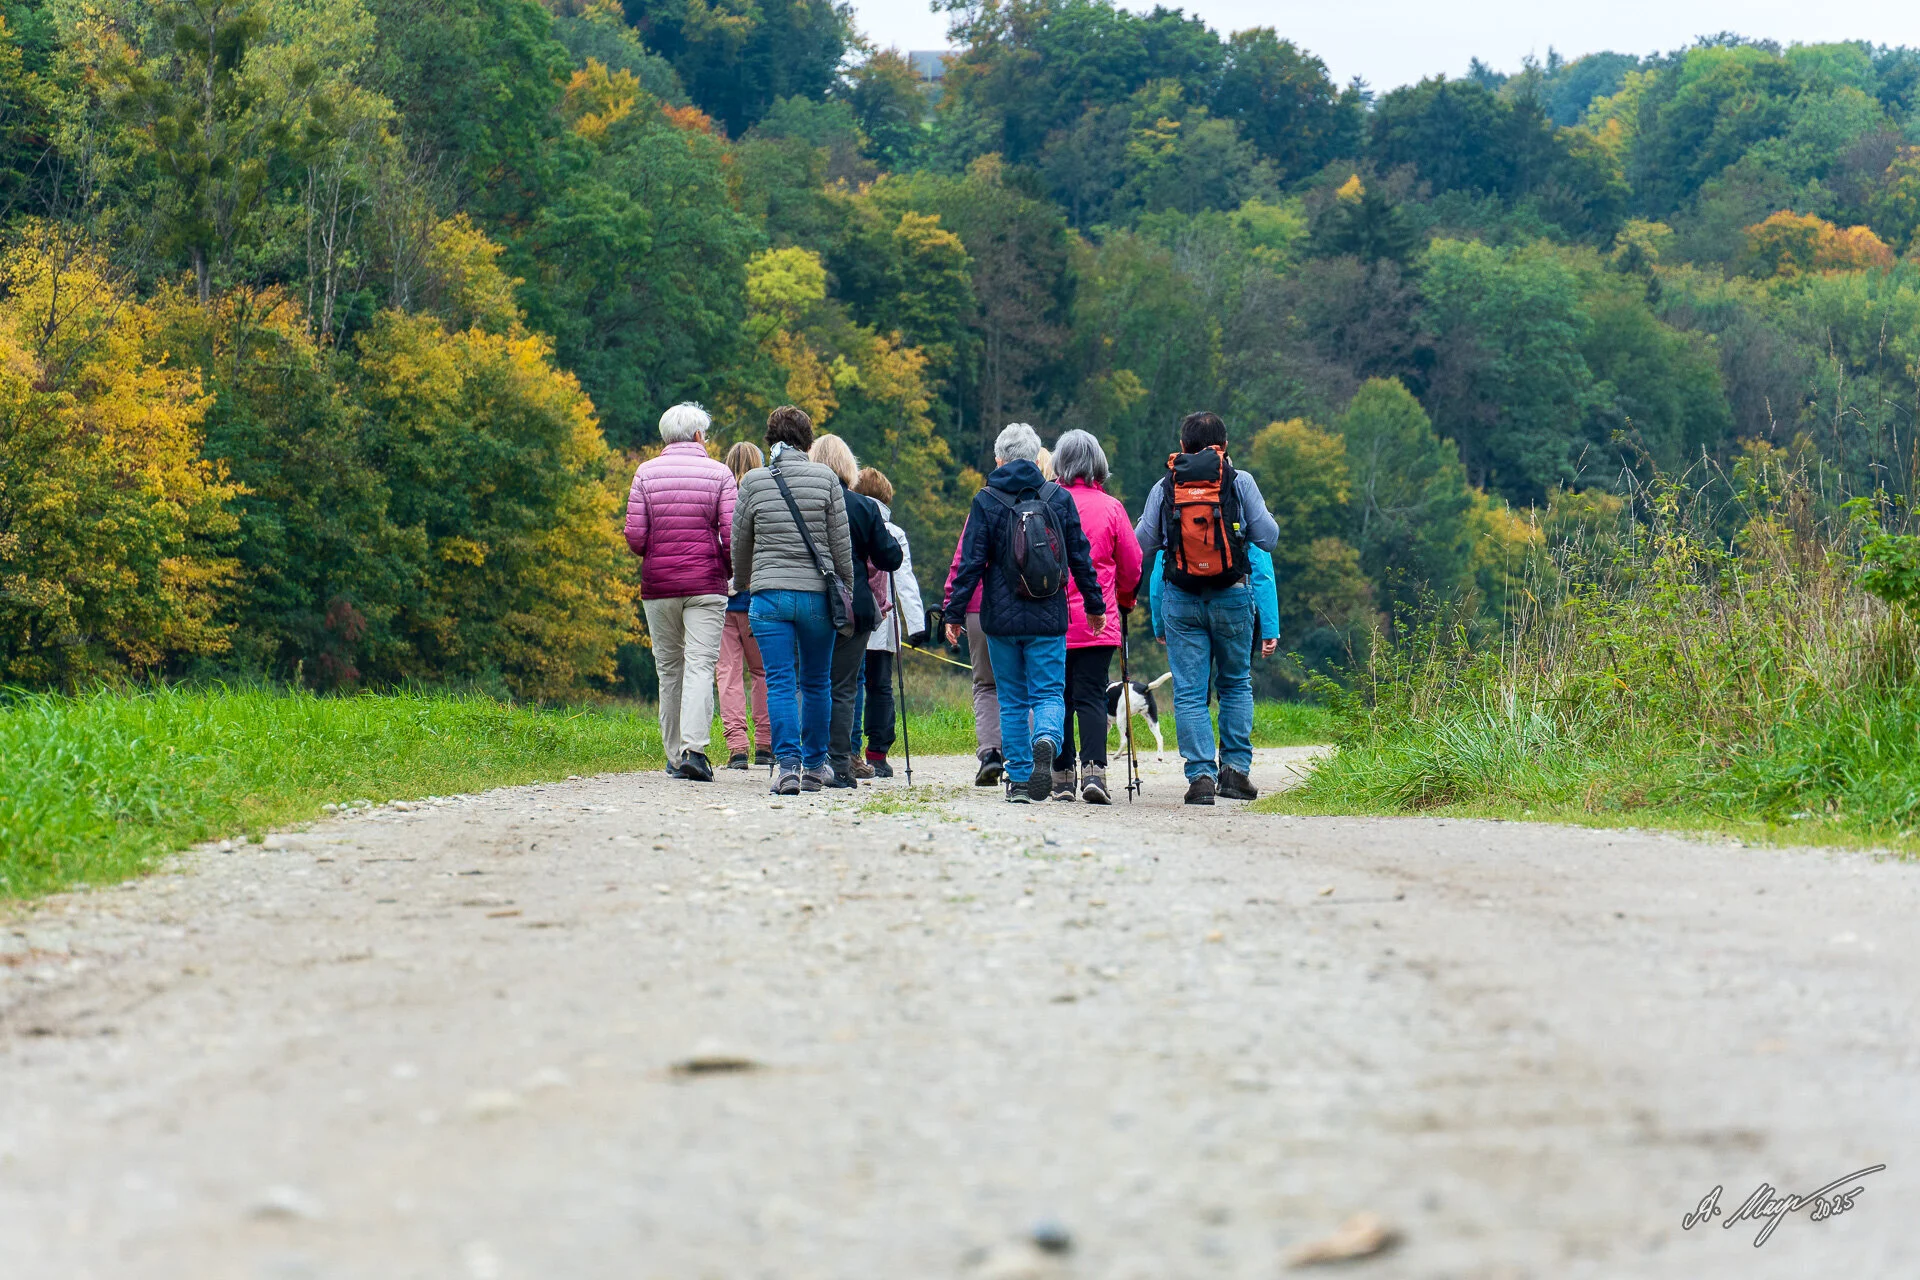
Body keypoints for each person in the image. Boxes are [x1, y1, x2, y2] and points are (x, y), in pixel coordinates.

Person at [944, 423, 1104, 804]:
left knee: (1012, 699)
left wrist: (953, 612)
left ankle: (1017, 780)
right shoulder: (1058, 498)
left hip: (1000, 621)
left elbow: (970, 563)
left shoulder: (986, 501)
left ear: (999, 459)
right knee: (1048, 692)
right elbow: (1080, 557)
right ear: (1036, 458)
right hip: (1048, 617)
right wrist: (1095, 605)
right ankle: (1045, 738)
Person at [1135, 411, 1280, 805]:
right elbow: (1268, 539)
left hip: (1181, 600)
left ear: (1182, 447)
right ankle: (1234, 772)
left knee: (1189, 691)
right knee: (1234, 683)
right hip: (1232, 595)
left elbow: (1143, 543)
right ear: (1224, 446)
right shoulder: (1240, 481)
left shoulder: (1164, 486)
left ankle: (1200, 777)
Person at [731, 406, 856, 795]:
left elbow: (740, 543)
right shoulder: (827, 479)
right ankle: (816, 767)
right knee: (817, 681)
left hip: (769, 597)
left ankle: (787, 767)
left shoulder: (754, 482)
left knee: (780, 682)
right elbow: (841, 546)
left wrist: (744, 582)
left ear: (771, 439)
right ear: (808, 440)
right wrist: (846, 592)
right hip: (818, 597)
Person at [624, 402, 736, 782]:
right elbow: (731, 535)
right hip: (706, 584)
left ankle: (674, 756)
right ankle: (695, 750)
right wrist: (727, 569)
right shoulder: (720, 473)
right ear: (699, 435)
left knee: (669, 669)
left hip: (659, 585)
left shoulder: (645, 473)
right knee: (701, 665)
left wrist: (657, 551)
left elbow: (635, 537)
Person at [1050, 430, 1143, 805]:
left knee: (1057, 696)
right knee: (1090, 695)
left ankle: (1062, 777)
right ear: (1098, 464)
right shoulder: (1111, 508)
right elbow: (1132, 564)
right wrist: (1124, 599)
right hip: (1097, 619)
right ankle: (1095, 772)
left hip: (1052, 619)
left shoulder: (1047, 504)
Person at [809, 435, 903, 787]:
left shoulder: (802, 502)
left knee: (809, 682)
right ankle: (839, 763)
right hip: (853, 605)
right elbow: (889, 557)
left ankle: (807, 758)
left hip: (809, 601)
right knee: (844, 687)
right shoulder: (862, 506)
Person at [849, 467, 925, 778]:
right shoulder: (894, 532)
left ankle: (847, 749)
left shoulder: (847, 521)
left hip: (851, 620)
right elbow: (905, 580)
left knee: (849, 685)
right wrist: (917, 625)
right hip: (883, 623)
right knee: (880, 687)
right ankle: (878, 754)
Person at [717, 441, 773, 769]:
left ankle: (737, 746)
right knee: (763, 672)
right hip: (757, 597)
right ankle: (765, 743)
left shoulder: (721, 498)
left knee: (728, 673)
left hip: (724, 601)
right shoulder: (765, 497)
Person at [943, 518, 1004, 785]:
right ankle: (1026, 760)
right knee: (1025, 686)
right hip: (1029, 607)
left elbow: (963, 561)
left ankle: (991, 753)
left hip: (980, 607)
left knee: (986, 685)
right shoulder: (1040, 504)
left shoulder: (983, 508)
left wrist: (952, 606)